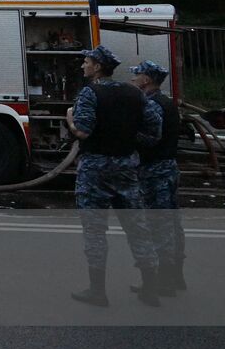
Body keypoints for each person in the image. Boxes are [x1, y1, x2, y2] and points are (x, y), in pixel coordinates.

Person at [65, 45, 163, 307]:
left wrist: (70, 119)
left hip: (95, 172)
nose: (83, 66)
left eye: (86, 62)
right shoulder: (134, 93)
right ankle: (150, 289)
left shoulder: (90, 93)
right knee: (137, 228)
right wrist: (129, 140)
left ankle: (98, 291)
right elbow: (154, 131)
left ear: (97, 67)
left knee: (95, 231)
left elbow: (83, 132)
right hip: (126, 169)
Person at [130, 59, 186, 294]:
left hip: (154, 172)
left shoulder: (152, 105)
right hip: (169, 169)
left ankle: (163, 282)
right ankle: (176, 277)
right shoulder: (167, 102)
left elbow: (151, 138)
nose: (133, 79)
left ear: (147, 79)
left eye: (137, 75)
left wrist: (127, 135)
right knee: (172, 224)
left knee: (157, 225)